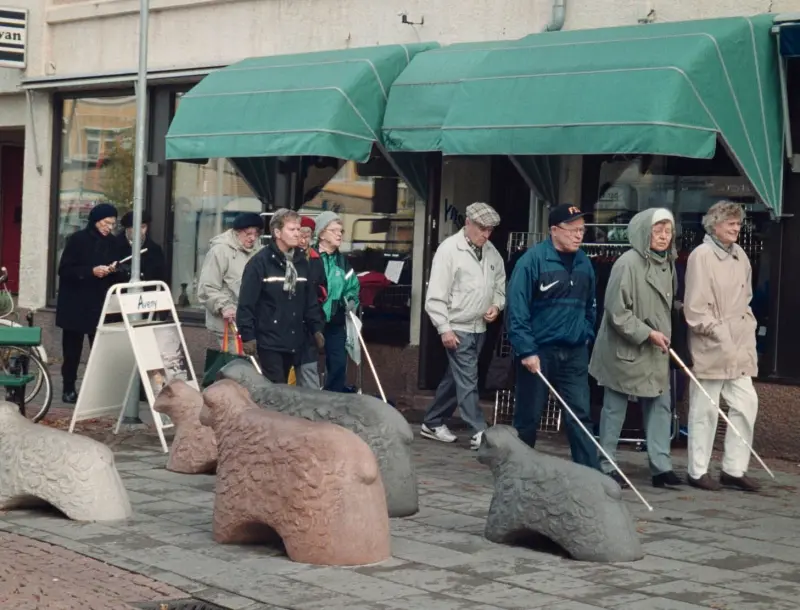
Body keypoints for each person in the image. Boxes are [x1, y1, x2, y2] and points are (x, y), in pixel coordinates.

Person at [590, 208, 683, 488]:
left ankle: (661, 467)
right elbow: (616, 312)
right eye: (658, 231)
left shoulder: (669, 262)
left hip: (655, 348)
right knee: (614, 408)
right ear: (645, 232)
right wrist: (647, 333)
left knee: (660, 405)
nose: (664, 237)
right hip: (627, 348)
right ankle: (605, 464)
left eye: (668, 231)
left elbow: (666, 303)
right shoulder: (627, 263)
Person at [506, 203, 600, 470]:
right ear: (554, 230)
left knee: (579, 413)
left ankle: (590, 472)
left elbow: (591, 304)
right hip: (539, 350)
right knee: (529, 415)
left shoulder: (584, 263)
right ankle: (519, 470)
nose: (578, 235)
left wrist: (585, 334)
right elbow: (517, 308)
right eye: (572, 230)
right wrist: (526, 350)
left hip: (574, 350)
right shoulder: (532, 261)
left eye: (582, 230)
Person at [684, 201, 760, 492]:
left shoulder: (740, 254)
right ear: (714, 224)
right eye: (730, 222)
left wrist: (745, 326)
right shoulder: (701, 256)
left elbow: (747, 296)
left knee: (746, 403)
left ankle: (734, 468)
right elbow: (695, 309)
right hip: (712, 344)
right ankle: (697, 470)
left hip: (739, 343)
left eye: (738, 223)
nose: (736, 227)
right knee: (705, 410)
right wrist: (719, 333)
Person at [421, 202, 505, 449]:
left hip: (479, 326)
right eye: (482, 228)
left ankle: (433, 421)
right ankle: (479, 430)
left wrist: (497, 305)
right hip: (457, 325)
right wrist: (444, 327)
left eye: (490, 229)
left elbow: (500, 283)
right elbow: (436, 294)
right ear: (467, 223)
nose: (486, 234)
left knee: (456, 377)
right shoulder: (449, 250)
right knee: (468, 378)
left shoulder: (491, 252)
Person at [237, 209, 325, 383]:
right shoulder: (260, 263)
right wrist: (248, 336)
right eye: (292, 230)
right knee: (276, 391)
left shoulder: (301, 262)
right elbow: (247, 303)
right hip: (270, 339)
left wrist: (316, 328)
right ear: (277, 233)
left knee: (299, 392)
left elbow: (310, 301)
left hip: (297, 338)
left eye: (298, 229)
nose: (297, 234)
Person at [55, 203, 121, 403]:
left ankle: (98, 390)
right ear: (95, 221)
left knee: (99, 351)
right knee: (72, 352)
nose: (109, 227)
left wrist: (114, 270)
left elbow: (121, 268)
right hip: (76, 303)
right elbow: (64, 270)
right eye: (106, 223)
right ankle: (68, 388)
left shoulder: (113, 242)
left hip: (99, 304)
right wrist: (91, 272)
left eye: (112, 224)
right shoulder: (77, 240)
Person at [197, 212, 263, 348]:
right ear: (237, 232)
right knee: (234, 366)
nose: (252, 238)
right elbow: (207, 287)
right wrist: (224, 306)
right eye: (248, 234)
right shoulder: (220, 251)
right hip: (227, 324)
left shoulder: (259, 252)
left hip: (251, 323)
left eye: (256, 234)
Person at [314, 211, 360, 392]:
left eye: (341, 231)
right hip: (312, 318)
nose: (339, 234)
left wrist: (351, 300)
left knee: (339, 364)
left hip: (335, 319)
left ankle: (332, 400)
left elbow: (352, 286)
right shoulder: (310, 257)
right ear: (322, 234)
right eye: (334, 230)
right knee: (307, 364)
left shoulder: (342, 261)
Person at [295, 215, 328, 389]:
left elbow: (323, 288)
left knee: (309, 369)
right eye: (300, 234)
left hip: (310, 322)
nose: (303, 239)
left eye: (307, 235)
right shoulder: (288, 257)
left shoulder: (316, 258)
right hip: (289, 322)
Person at [115, 210, 166, 283]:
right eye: (135, 227)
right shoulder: (113, 245)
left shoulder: (154, 249)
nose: (139, 231)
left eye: (143, 227)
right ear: (127, 228)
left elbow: (161, 277)